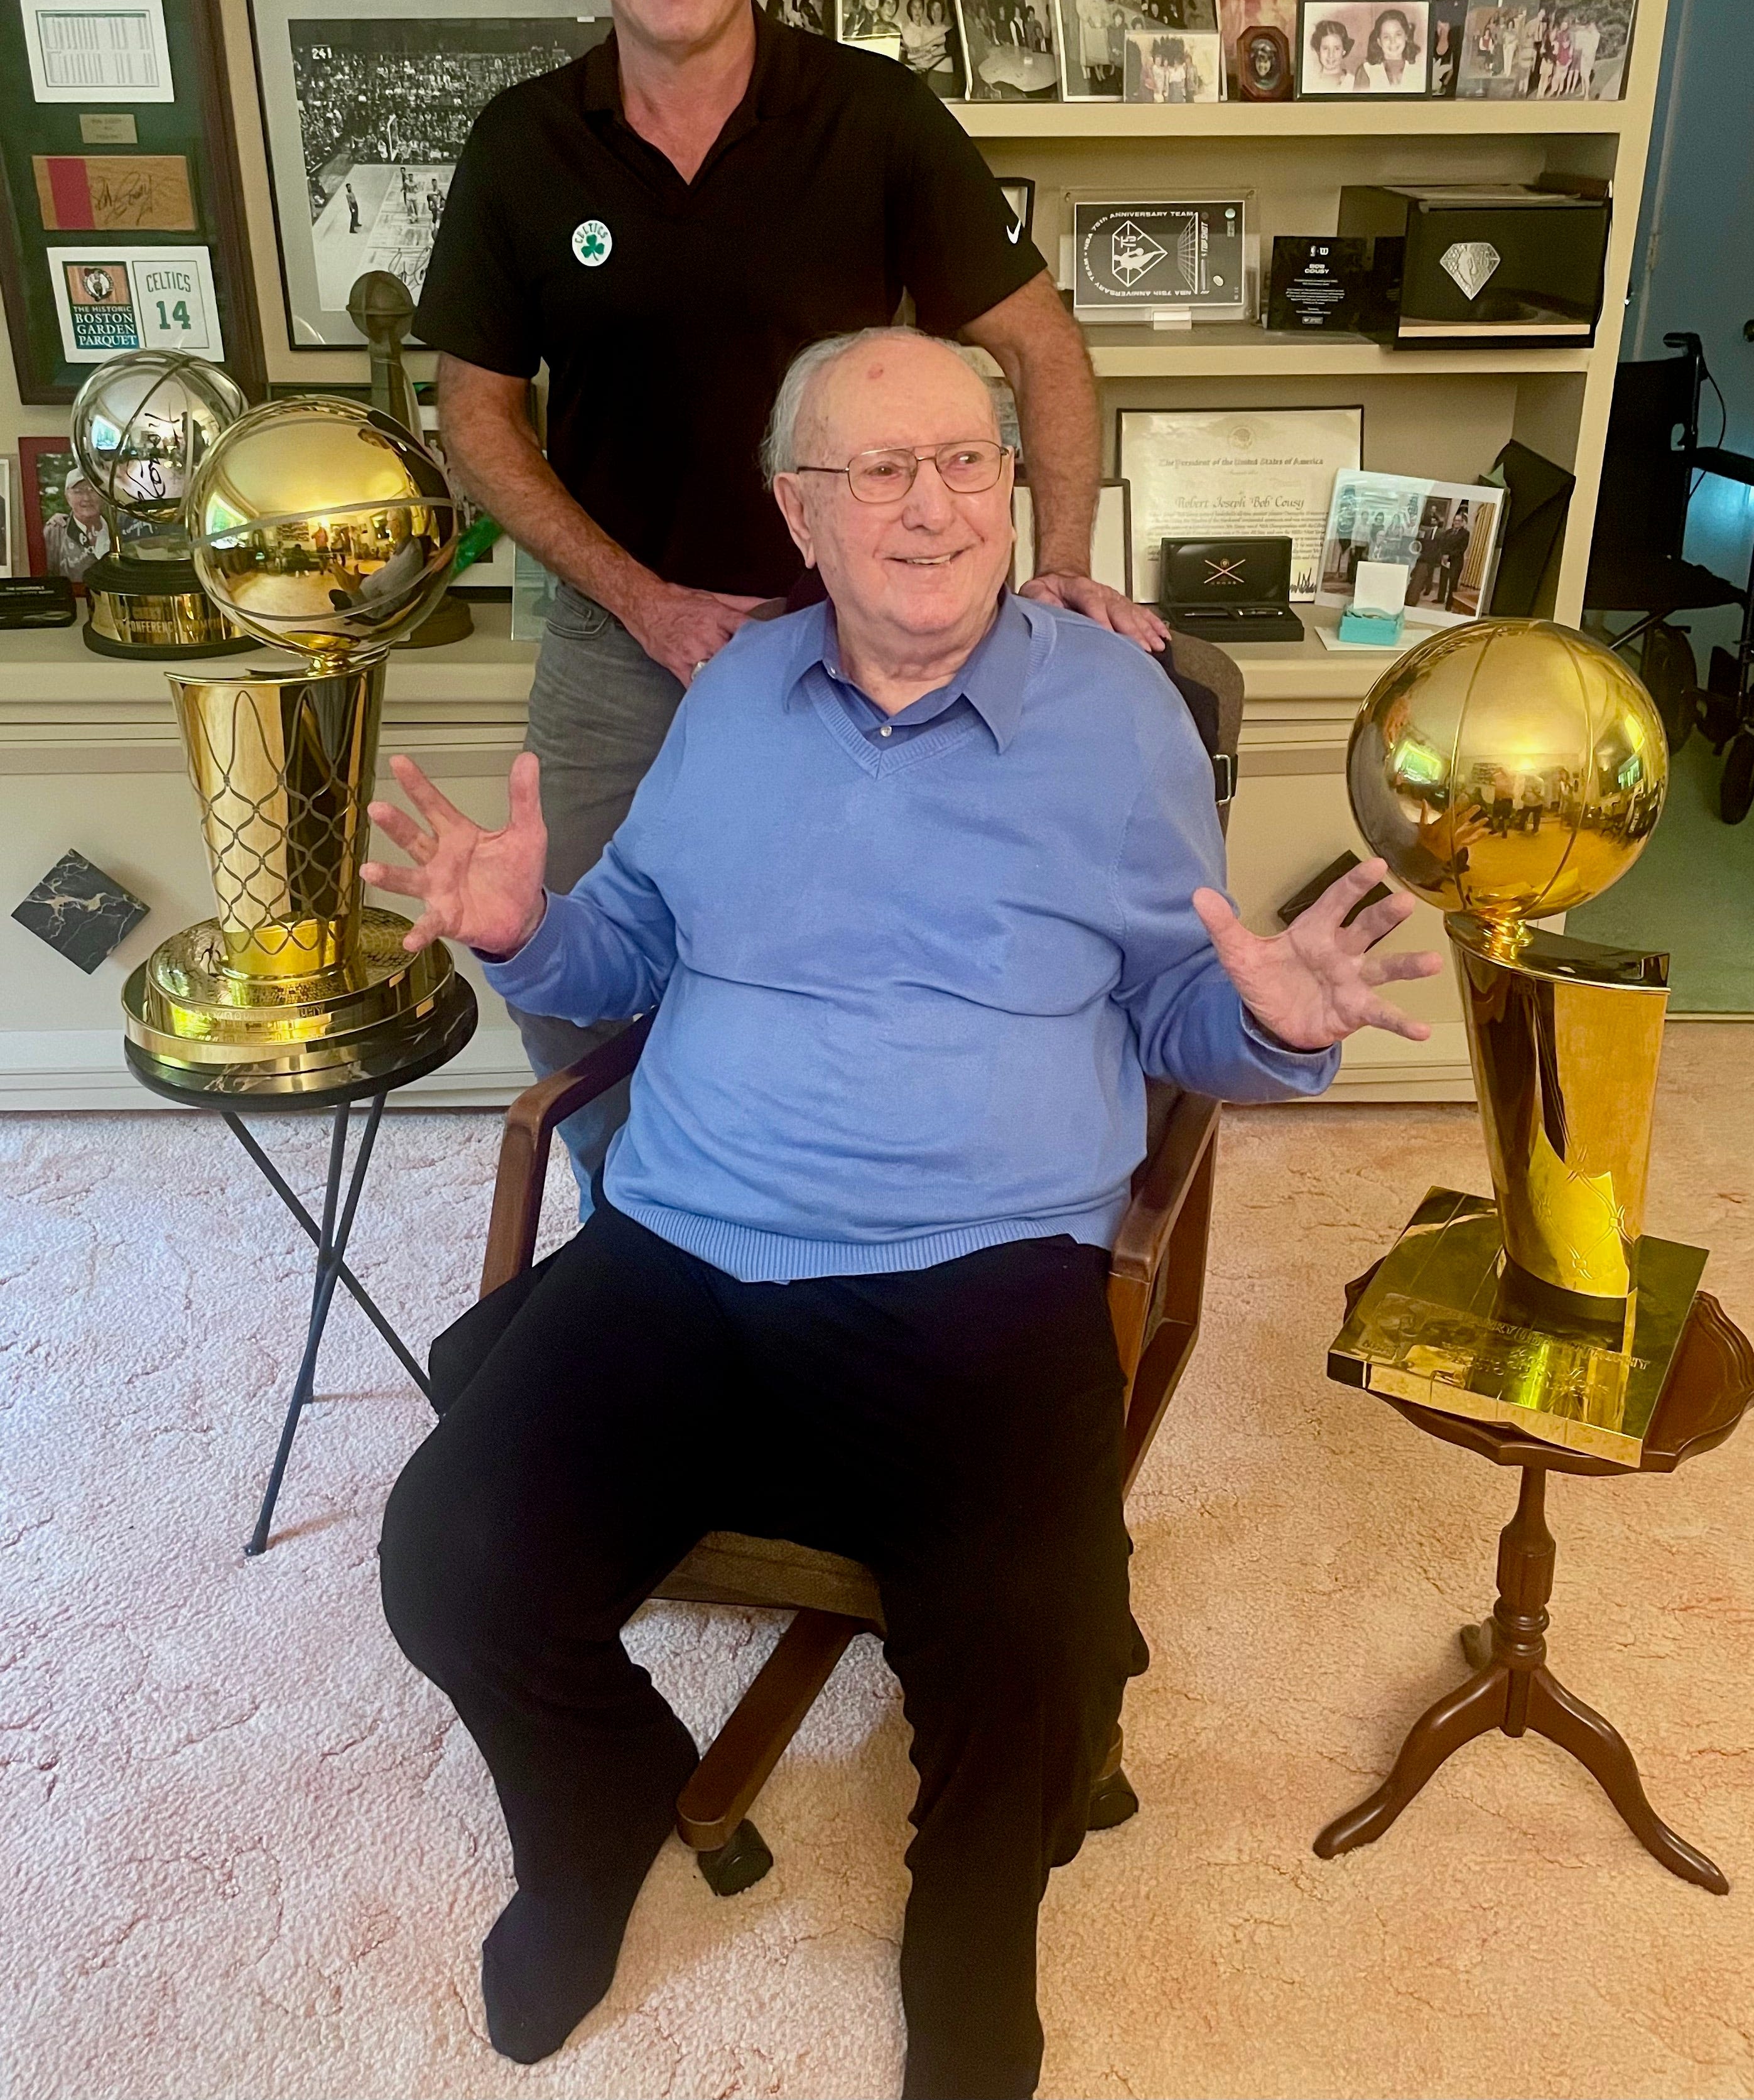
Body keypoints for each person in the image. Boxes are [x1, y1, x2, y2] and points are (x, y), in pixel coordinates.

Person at [372, 326, 1441, 2096]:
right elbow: (623, 947)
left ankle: (973, 1919)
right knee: (448, 1562)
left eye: (964, 459)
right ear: (800, 513)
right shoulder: (731, 699)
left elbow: (1180, 1014)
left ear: (1013, 489)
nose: (930, 503)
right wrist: (519, 929)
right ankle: (597, 1803)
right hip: (688, 1245)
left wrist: (1269, 1018)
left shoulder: (1114, 720)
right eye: (876, 468)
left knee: (1029, 1632)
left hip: (983, 1272)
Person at [417, 0, 1160, 1194]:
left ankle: (838, 1220)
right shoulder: (520, 146)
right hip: (621, 645)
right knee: (561, 965)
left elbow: (1047, 353)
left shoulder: (873, 117)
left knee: (854, 968)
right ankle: (652, 1220)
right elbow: (478, 416)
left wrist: (1059, 564)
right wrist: (645, 600)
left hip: (860, 647)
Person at [41, 476, 110, 582]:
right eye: (78, 492)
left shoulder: (118, 528)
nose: (86, 498)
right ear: (68, 498)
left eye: (93, 490)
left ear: (103, 495)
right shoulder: (55, 532)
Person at [1360, 6, 1419, 92]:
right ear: (1379, 42)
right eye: (1386, 37)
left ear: (1406, 36)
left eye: (1398, 34)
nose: (1393, 41)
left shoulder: (1419, 69)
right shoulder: (1366, 70)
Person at [1307, 14, 1357, 91]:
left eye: (1337, 49)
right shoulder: (1310, 82)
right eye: (1325, 48)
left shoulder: (1354, 82)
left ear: (1344, 50)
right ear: (1318, 50)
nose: (1331, 55)